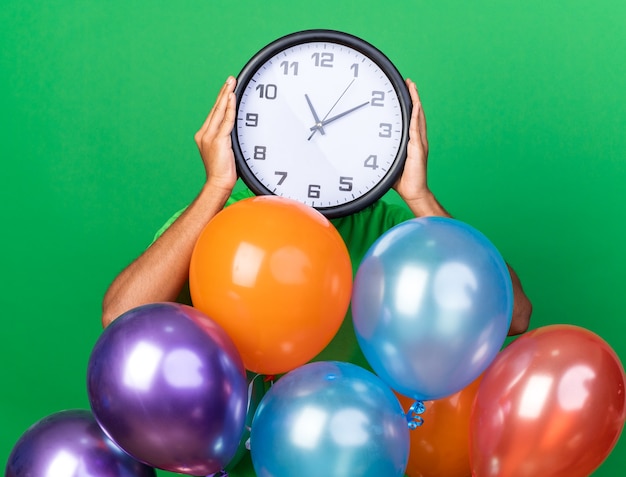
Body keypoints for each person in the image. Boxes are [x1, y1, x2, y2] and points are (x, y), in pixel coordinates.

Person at [101, 75, 532, 475]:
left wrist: (420, 195)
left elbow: (515, 316)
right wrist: (215, 186)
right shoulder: (221, 224)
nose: (317, 140)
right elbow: (123, 318)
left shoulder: (397, 232)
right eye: (291, 127)